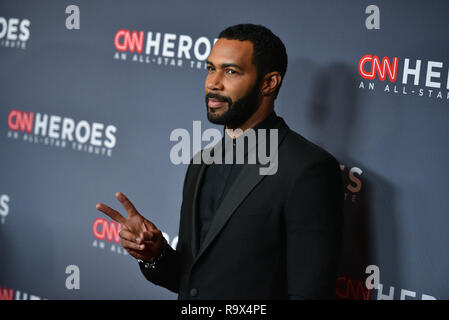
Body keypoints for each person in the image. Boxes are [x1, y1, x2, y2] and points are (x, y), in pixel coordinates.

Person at [96, 24, 344, 299]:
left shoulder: (307, 169)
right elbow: (193, 279)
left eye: (230, 71)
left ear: (269, 83)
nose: (213, 82)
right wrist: (155, 254)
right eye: (210, 68)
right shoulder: (201, 163)